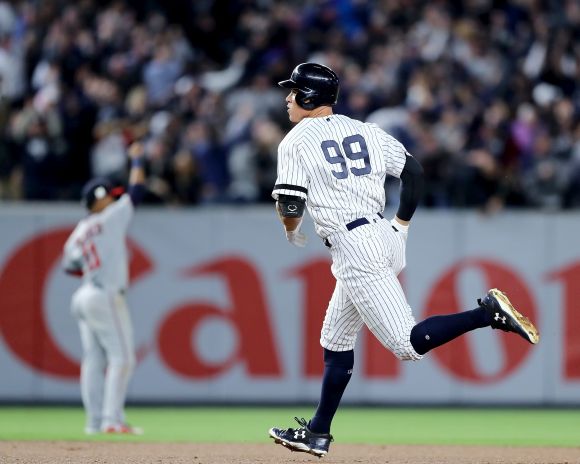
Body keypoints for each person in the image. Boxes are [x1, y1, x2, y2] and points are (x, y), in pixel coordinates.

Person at [268, 63, 540, 457]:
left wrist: (290, 228)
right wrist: (401, 226)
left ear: (309, 97)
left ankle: (487, 314)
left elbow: (291, 203)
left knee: (406, 344)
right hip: (382, 232)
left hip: (353, 246)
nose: (288, 98)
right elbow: (413, 171)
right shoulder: (366, 129)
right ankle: (318, 432)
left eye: (294, 91)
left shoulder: (295, 140)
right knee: (335, 338)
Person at [62, 143, 147, 435]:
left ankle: (94, 422)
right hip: (105, 294)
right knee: (123, 358)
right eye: (109, 196)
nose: (113, 199)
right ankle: (112, 420)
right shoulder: (110, 217)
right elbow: (137, 191)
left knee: (93, 360)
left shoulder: (79, 230)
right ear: (99, 200)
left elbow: (70, 265)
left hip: (84, 294)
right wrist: (137, 160)